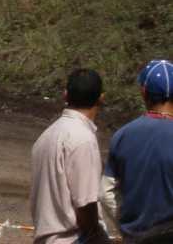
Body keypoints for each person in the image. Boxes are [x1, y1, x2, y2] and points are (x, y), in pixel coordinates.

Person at [30, 69, 109, 244]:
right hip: (73, 239)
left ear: (65, 95)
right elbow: (86, 203)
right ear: (101, 98)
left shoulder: (46, 135)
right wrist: (97, 236)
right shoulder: (83, 139)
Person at [102, 59, 173, 243]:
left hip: (134, 236)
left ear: (143, 91)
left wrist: (125, 224)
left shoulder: (123, 135)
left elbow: (104, 192)